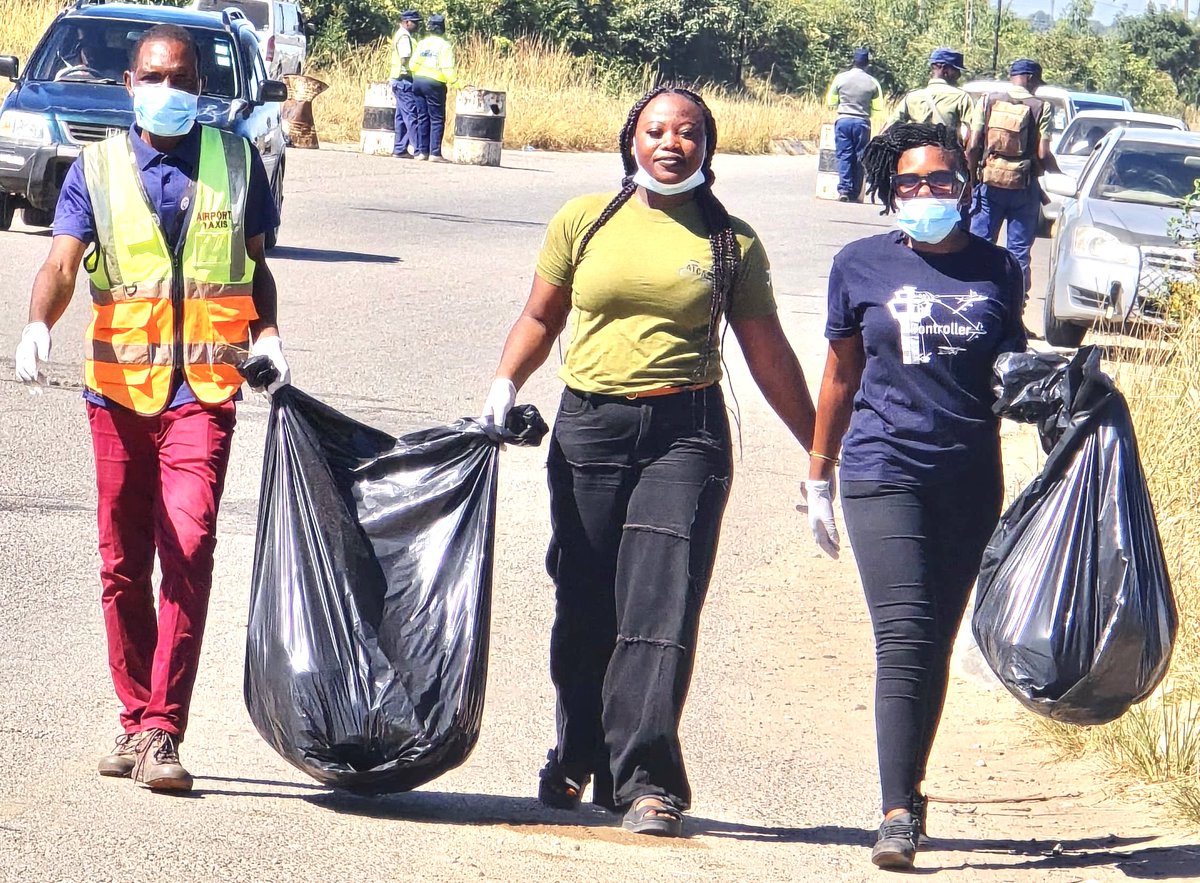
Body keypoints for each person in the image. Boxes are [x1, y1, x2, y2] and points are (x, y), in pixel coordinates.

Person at [479, 86, 816, 838]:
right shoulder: (585, 220)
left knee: (659, 608)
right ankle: (576, 752)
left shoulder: (729, 240)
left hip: (684, 434)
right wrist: (504, 384)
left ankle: (647, 782)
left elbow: (768, 353)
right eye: (657, 129)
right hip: (586, 429)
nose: (671, 142)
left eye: (688, 131)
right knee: (584, 601)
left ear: (708, 145)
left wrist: (823, 449)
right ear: (632, 137)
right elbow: (541, 315)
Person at [13, 24, 290, 793]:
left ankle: (164, 729)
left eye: (180, 79)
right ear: (130, 84)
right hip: (118, 395)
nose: (167, 91)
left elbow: (255, 268)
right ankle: (133, 717)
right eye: (152, 77)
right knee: (121, 564)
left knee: (191, 548)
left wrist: (268, 334)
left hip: (204, 389)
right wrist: (39, 322)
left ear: (199, 89)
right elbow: (61, 261)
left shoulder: (236, 163)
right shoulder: (95, 169)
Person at [805, 123, 1026, 871]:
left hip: (969, 479)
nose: (925, 194)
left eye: (939, 181)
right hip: (881, 468)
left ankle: (912, 787)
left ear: (966, 186)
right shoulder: (858, 264)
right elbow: (839, 376)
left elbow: (1008, 365)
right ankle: (896, 810)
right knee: (902, 635)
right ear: (888, 190)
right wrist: (818, 472)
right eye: (909, 183)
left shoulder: (998, 267)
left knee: (932, 641)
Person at [967, 58, 1061, 293]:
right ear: (1030, 78)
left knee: (980, 245)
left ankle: (974, 295)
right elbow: (1043, 152)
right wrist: (1058, 173)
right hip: (1023, 187)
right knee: (1018, 251)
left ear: (1012, 76)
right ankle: (1015, 307)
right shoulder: (1042, 107)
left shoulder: (988, 100)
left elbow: (973, 145)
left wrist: (971, 179)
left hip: (989, 182)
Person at [825, 48, 884, 202]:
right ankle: (856, 193)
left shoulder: (840, 78)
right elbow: (878, 107)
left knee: (844, 155)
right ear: (867, 63)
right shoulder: (873, 82)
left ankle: (844, 189)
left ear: (853, 61)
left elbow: (830, 102)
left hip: (843, 120)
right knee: (860, 157)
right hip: (862, 123)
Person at [886, 48, 975, 145]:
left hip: (915, 148)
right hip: (947, 150)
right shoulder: (961, 97)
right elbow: (972, 132)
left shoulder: (911, 96)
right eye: (956, 70)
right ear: (944, 69)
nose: (959, 75)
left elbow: (890, 126)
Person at [410, 13, 461, 162]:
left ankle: (421, 152)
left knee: (422, 117)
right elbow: (447, 68)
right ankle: (435, 153)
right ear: (443, 28)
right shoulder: (444, 46)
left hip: (418, 82)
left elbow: (412, 64)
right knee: (437, 119)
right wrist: (457, 83)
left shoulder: (422, 43)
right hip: (434, 84)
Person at [388, 10, 421, 158]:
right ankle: (419, 149)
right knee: (411, 115)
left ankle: (400, 148)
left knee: (401, 117)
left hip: (397, 79)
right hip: (404, 79)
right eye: (415, 22)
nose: (417, 25)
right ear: (407, 22)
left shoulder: (401, 34)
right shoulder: (404, 36)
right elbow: (405, 57)